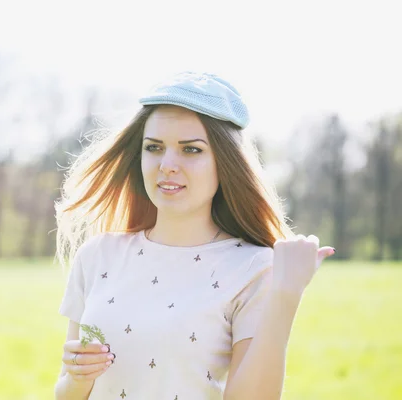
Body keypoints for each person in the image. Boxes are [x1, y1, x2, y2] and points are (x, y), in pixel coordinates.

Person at [53, 71, 335, 400]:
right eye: (154, 147)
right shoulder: (97, 256)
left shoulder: (253, 267)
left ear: (224, 162)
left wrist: (285, 296)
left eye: (191, 150)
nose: (167, 164)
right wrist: (76, 378)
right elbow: (67, 393)